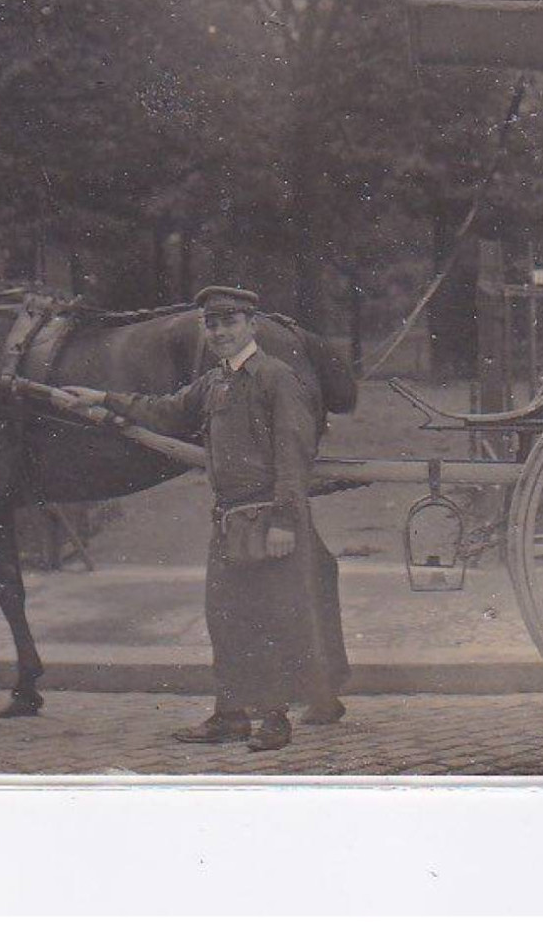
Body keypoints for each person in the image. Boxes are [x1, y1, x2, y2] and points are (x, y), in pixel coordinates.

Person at [66, 286, 348, 751]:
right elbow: (165, 410)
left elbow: (294, 457)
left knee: (271, 619)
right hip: (228, 522)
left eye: (229, 322)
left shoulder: (277, 379)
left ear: (252, 326)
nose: (220, 332)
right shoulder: (215, 383)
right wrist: (102, 398)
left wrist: (284, 522)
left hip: (267, 520)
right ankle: (230, 716)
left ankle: (275, 720)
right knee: (225, 619)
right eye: (212, 325)